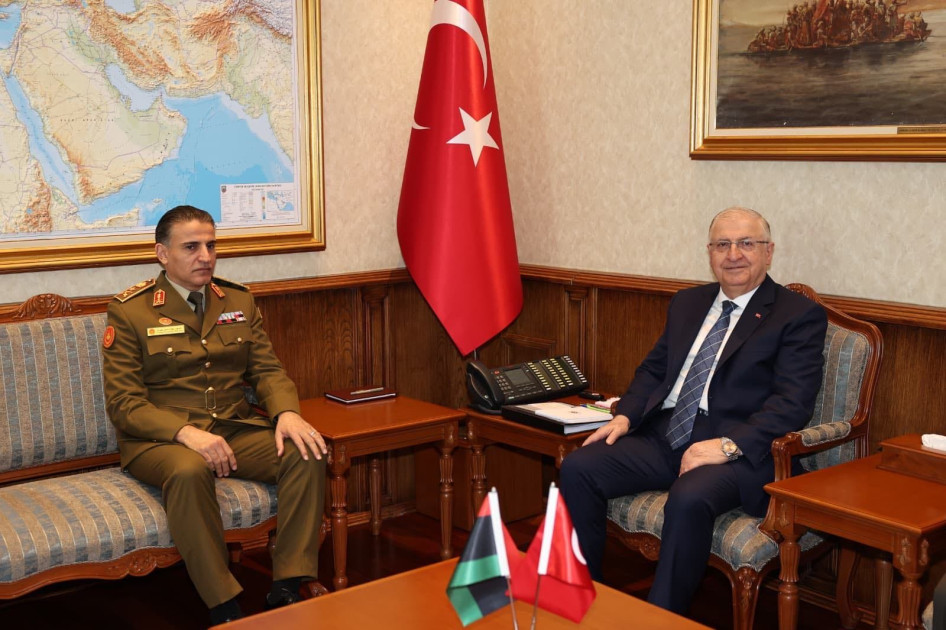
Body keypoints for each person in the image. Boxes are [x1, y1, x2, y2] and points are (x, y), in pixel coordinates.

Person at [559, 207, 827, 616]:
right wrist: (626, 416)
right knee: (579, 467)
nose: (733, 254)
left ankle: (661, 618)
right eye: (722, 244)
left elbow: (792, 403)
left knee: (688, 497)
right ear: (709, 252)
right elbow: (654, 369)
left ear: (768, 252)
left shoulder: (797, 315)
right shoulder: (688, 302)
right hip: (667, 432)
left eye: (746, 243)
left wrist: (727, 445)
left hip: (738, 449)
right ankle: (581, 599)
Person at [102, 205, 327, 625]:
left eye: (211, 245)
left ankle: (287, 585)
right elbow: (124, 403)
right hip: (161, 441)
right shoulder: (131, 311)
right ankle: (223, 604)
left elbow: (267, 371)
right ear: (162, 254)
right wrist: (186, 433)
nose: (205, 256)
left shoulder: (237, 300)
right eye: (191, 247)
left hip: (231, 428)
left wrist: (287, 413)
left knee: (306, 450)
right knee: (189, 471)